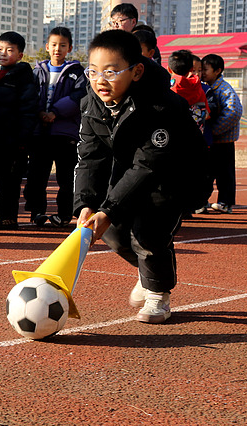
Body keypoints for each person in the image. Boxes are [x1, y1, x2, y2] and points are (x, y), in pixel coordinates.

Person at [75, 30, 205, 324]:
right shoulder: (91, 105)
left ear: (137, 72)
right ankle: (149, 272)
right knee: (112, 232)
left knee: (148, 234)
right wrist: (87, 203)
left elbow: (149, 165)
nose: (100, 80)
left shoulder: (161, 106)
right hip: (132, 171)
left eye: (110, 72)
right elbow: (90, 158)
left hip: (174, 174)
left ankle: (159, 294)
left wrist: (109, 208)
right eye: (93, 72)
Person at [24, 26, 86, 228]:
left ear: (69, 48)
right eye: (53, 45)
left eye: (62, 45)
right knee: (36, 176)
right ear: (47, 47)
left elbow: (79, 97)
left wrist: (55, 113)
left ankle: (64, 214)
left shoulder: (77, 73)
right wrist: (39, 113)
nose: (57, 49)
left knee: (66, 177)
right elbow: (29, 96)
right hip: (39, 132)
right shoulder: (37, 72)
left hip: (64, 133)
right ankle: (37, 212)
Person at [0, 31, 37, 229]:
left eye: (9, 50)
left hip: (14, 139)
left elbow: (29, 110)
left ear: (20, 55)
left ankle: (9, 217)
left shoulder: (24, 78)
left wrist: (22, 139)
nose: (3, 53)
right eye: (0, 49)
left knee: (10, 180)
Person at [199, 53, 243, 214]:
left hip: (223, 141)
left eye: (205, 70)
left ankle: (225, 202)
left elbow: (234, 111)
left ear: (217, 71)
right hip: (210, 141)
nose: (201, 73)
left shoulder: (224, 89)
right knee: (207, 173)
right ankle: (201, 202)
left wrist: (215, 130)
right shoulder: (204, 87)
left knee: (225, 174)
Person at [167, 49, 208, 131]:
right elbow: (207, 113)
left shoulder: (169, 87)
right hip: (196, 136)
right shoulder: (198, 87)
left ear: (169, 69)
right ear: (191, 70)